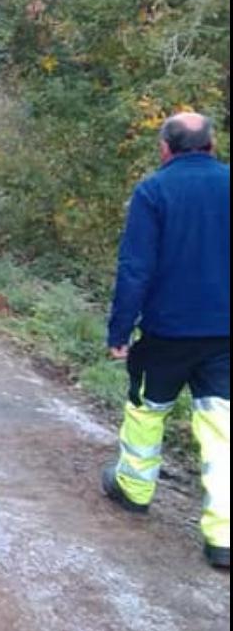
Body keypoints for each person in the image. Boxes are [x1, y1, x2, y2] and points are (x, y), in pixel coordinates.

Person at [102, 111, 230, 569]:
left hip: (166, 332)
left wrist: (120, 330)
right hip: (225, 335)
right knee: (223, 431)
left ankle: (134, 489)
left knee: (146, 411)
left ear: (164, 149)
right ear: (212, 145)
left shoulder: (153, 191)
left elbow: (135, 268)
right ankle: (224, 536)